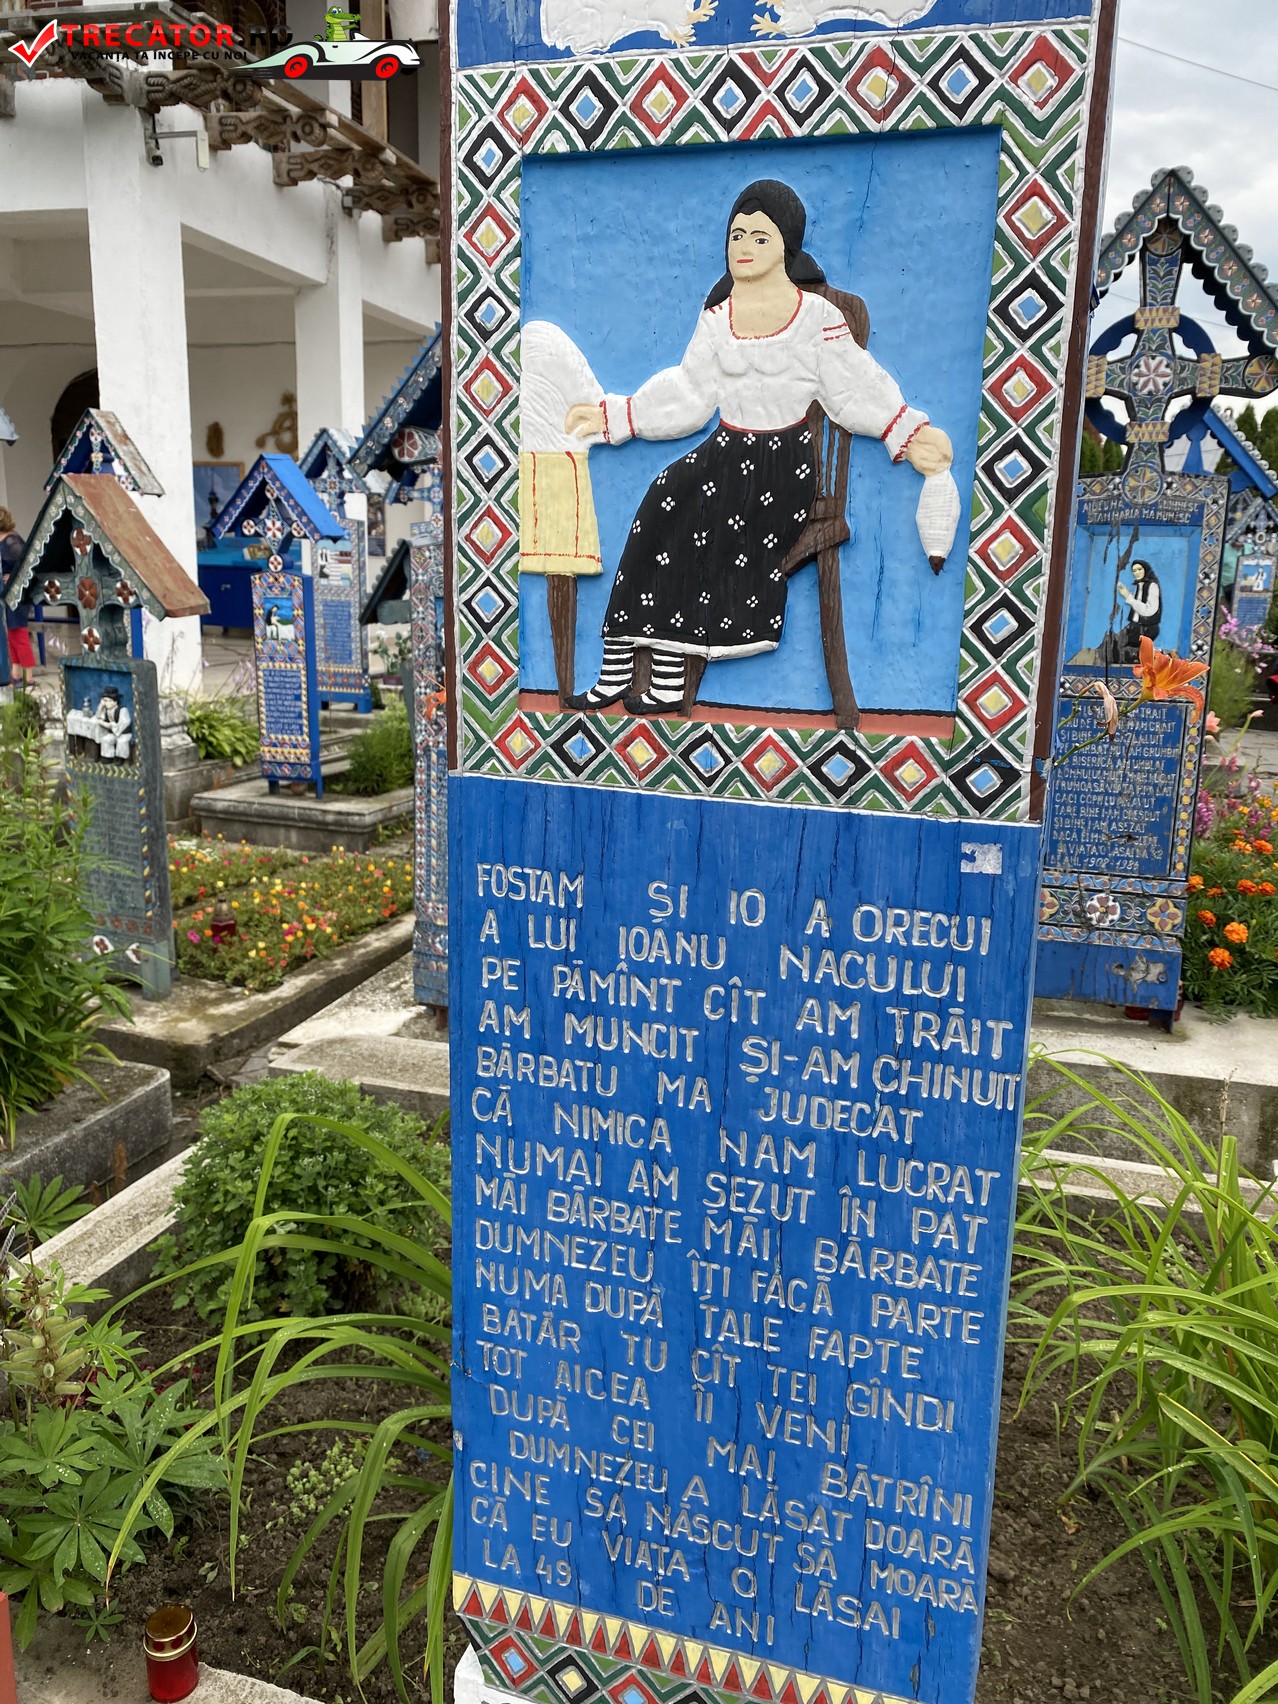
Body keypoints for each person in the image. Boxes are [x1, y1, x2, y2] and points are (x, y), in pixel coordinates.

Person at [562, 179, 952, 714]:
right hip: (724, 450)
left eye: (760, 237)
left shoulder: (816, 318)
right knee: (661, 498)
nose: (744, 246)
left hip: (780, 467)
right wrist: (616, 416)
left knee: (695, 525)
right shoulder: (718, 317)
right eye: (737, 235)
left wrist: (907, 431)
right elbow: (689, 393)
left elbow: (855, 387)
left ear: (786, 247)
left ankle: (668, 683)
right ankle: (616, 668)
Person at [0, 505, 36, 689]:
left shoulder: (11, 542)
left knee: (19, 633)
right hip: (8, 594)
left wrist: (12, 577)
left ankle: (28, 675)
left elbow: (27, 565)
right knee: (12, 633)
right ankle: (15, 672)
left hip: (18, 594)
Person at [1116, 557, 1161, 661]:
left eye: (1139, 569)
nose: (1137, 573)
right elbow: (1138, 604)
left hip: (1147, 628)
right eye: (1134, 570)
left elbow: (1148, 611)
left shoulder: (1152, 586)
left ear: (1146, 569)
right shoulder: (1139, 585)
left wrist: (1128, 596)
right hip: (1136, 626)